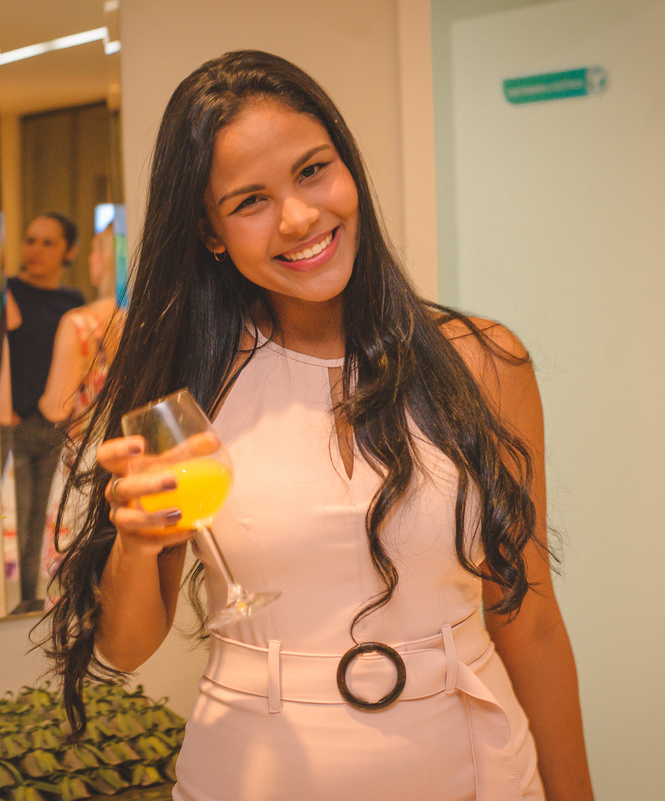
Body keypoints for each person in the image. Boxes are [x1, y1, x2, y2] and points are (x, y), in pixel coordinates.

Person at [48, 51, 595, 801]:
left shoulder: (483, 362)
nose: (300, 217)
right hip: (253, 772)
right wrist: (138, 543)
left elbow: (528, 621)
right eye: (249, 201)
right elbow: (128, 645)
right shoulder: (189, 385)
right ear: (211, 232)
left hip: (476, 767)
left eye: (313, 170)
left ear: (349, 168)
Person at [3, 213, 85, 604]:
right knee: (15, 518)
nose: (35, 250)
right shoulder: (8, 292)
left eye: (47, 243)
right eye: (30, 239)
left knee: (46, 520)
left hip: (57, 425)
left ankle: (34, 600)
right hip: (15, 425)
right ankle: (14, 599)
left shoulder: (73, 303)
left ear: (69, 251)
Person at [35, 229, 120, 598]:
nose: (90, 260)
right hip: (137, 451)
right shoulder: (154, 318)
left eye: (95, 250)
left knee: (76, 583)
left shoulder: (82, 324)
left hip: (88, 459)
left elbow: (58, 407)